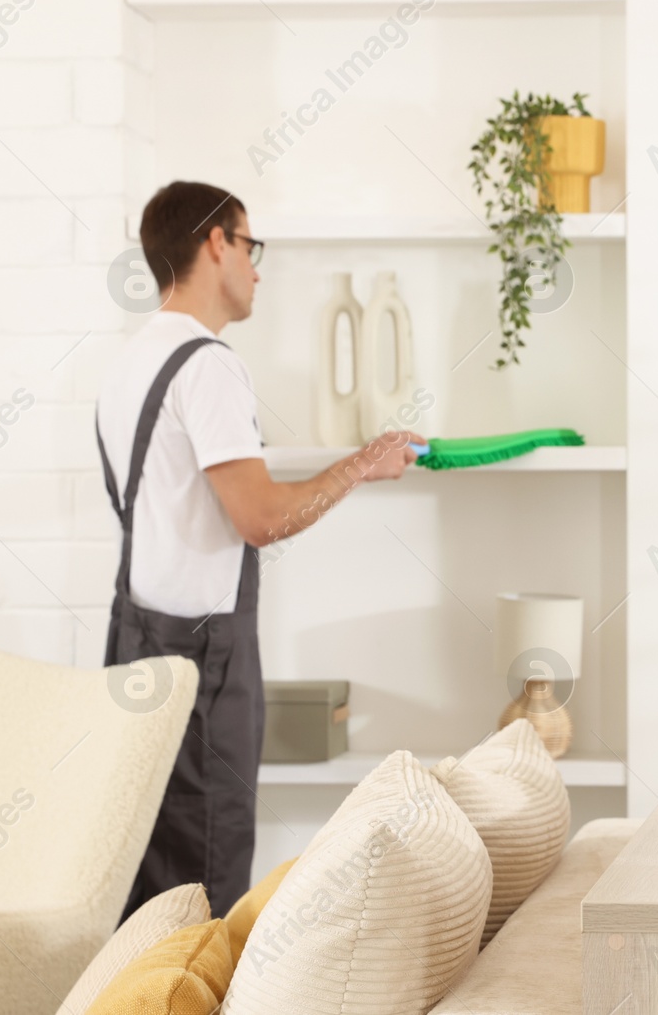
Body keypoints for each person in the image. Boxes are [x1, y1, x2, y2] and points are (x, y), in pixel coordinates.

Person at [95, 181, 424, 920]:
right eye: (251, 247)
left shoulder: (127, 363)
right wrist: (361, 465)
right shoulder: (208, 364)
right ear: (217, 244)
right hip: (202, 667)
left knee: (147, 897)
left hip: (133, 649)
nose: (257, 268)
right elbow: (260, 518)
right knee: (204, 894)